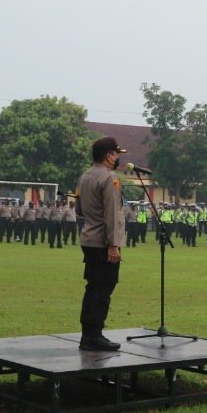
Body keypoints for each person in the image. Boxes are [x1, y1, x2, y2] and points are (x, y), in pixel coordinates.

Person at [74, 136, 127, 351]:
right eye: (116, 154)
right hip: (104, 242)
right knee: (104, 288)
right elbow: (112, 213)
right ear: (108, 156)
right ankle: (95, 335)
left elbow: (78, 209)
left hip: (88, 238)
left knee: (93, 286)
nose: (117, 158)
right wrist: (114, 244)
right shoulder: (109, 178)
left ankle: (88, 334)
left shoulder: (84, 177)